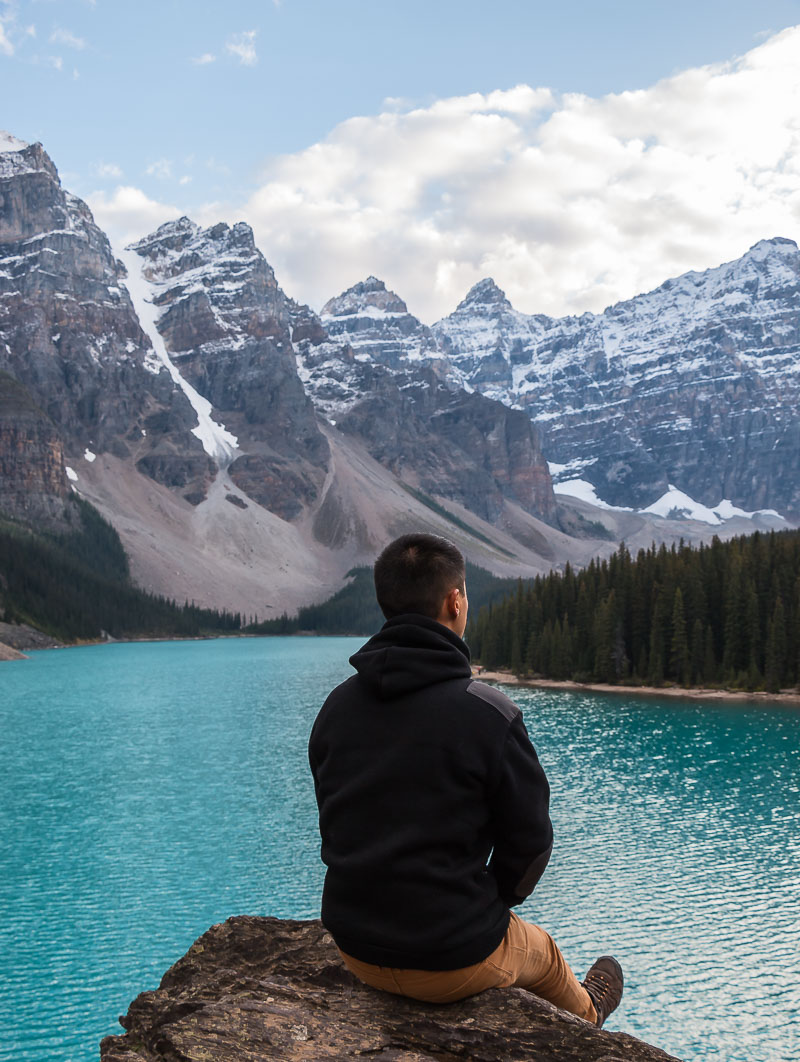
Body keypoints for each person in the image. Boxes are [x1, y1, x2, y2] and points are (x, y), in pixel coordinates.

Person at [308, 532, 623, 1027]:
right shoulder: (489, 714)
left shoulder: (336, 707)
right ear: (455, 601)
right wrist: (491, 903)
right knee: (543, 952)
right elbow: (533, 843)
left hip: (355, 948)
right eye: (466, 595)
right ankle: (590, 1015)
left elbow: (335, 818)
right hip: (450, 956)